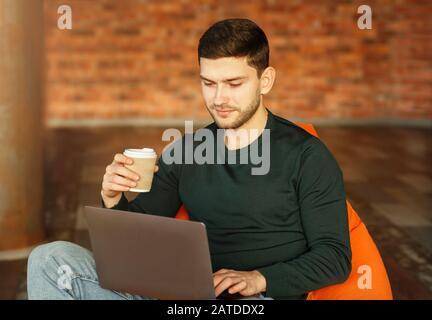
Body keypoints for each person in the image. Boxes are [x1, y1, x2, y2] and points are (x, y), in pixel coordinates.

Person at [27, 18, 351, 300]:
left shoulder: (307, 156)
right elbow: (136, 241)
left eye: (234, 84)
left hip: (254, 299)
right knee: (49, 259)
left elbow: (335, 258)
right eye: (208, 83)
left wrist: (258, 279)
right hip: (180, 296)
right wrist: (113, 200)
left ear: (265, 80)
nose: (219, 98)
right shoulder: (188, 151)